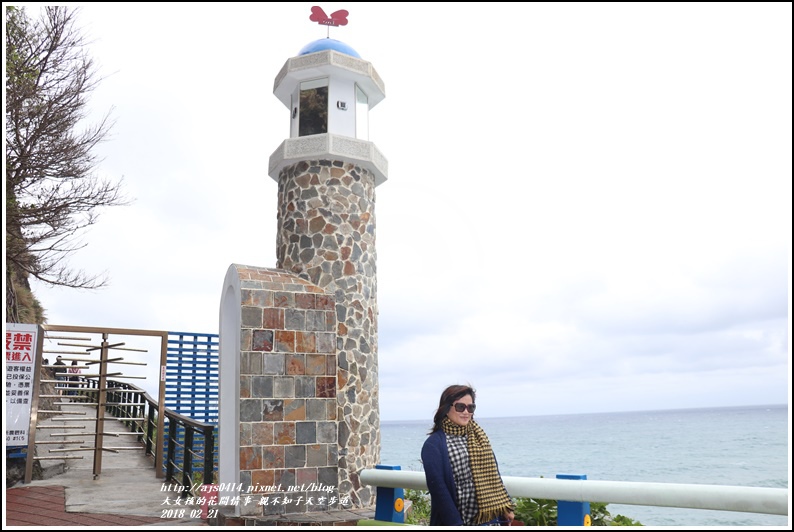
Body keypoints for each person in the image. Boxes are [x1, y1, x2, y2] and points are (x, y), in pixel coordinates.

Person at [421, 384, 516, 526]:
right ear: (446, 408)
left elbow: (493, 475)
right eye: (460, 407)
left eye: (471, 407)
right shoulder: (434, 445)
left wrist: (505, 507)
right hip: (459, 522)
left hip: (490, 520)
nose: (466, 412)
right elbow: (439, 490)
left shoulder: (479, 437)